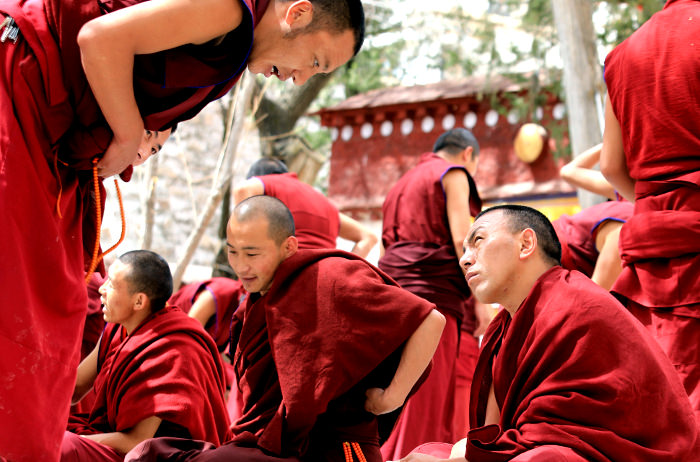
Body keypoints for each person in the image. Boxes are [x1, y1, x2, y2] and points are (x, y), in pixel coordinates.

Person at [0, 0, 365, 459]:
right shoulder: (233, 11)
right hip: (25, 86)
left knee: (57, 301)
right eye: (316, 62)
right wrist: (130, 134)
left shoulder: (173, 333)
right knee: (36, 298)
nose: (301, 79)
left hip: (50, 125)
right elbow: (99, 38)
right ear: (298, 13)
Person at [125, 195, 446, 462]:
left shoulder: (331, 277)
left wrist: (392, 398)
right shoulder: (255, 301)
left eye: (252, 253)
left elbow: (430, 320)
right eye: (232, 251)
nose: (241, 265)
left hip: (341, 449)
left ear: (289, 247)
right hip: (274, 445)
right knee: (152, 454)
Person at [397, 204, 698, 461]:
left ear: (526, 244)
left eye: (478, 241)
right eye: (464, 251)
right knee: (426, 453)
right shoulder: (499, 329)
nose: (465, 259)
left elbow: (572, 428)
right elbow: (493, 433)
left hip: (630, 453)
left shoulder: (579, 304)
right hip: (538, 444)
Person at [601, 0, 700, 422]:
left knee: (670, 398)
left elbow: (610, 166)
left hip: (651, 244)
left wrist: (651, 202)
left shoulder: (622, 53)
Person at [62, 250, 232, 461]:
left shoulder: (173, 351)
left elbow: (137, 443)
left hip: (153, 455)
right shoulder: (118, 329)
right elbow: (74, 388)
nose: (101, 289)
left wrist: (61, 437)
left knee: (63, 446)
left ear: (139, 302)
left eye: (112, 285)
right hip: (114, 440)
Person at [378, 128, 483, 460]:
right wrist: (479, 297)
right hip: (433, 301)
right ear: (467, 154)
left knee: (396, 394)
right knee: (427, 398)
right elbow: (460, 241)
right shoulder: (453, 174)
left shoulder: (399, 185)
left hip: (393, 298)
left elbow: (386, 244)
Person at [234, 157, 378, 257]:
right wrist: (347, 268)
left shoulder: (265, 183)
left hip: (286, 274)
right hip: (326, 278)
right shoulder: (323, 202)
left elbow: (242, 190)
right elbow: (368, 237)